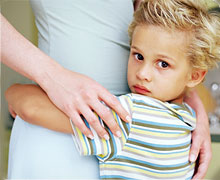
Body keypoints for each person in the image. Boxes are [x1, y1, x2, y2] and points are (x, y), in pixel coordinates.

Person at [3, 0, 213, 179]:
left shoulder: (132, 117)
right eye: (138, 56)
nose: (142, 74)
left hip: (77, 125)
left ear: (195, 76)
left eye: (163, 64)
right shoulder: (183, 120)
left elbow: (31, 108)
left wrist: (14, 91)